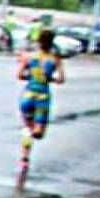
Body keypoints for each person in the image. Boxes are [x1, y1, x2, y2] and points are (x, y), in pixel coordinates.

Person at [17, 27, 65, 170]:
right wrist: (50, 78)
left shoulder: (29, 57)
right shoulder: (55, 60)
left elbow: (19, 75)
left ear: (38, 41)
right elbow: (61, 79)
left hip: (28, 96)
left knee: (27, 128)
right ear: (52, 42)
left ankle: (24, 159)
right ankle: (34, 132)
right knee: (38, 133)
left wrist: (30, 76)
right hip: (42, 98)